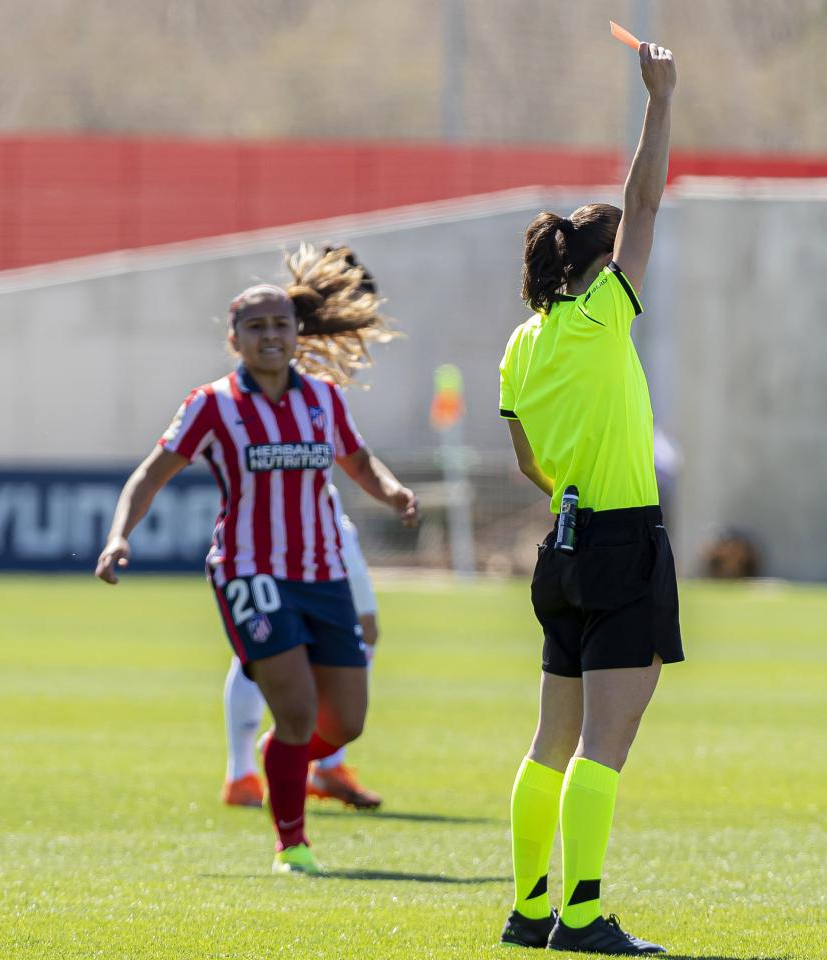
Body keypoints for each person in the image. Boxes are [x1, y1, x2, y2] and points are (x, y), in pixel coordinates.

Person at [95, 267, 418, 876]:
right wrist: (118, 536)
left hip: (324, 573)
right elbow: (150, 474)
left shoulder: (324, 397)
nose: (270, 335)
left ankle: (278, 757)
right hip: (250, 574)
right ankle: (291, 845)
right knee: (297, 710)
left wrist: (394, 492)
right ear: (234, 338)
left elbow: (359, 460)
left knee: (346, 721)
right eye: (256, 326)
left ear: (297, 331)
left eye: (280, 324)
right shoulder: (211, 405)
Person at [495, 40, 678, 955]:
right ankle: (582, 914)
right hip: (618, 541)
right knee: (608, 737)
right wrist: (662, 97)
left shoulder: (523, 343)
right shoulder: (607, 312)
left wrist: (571, 485)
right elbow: (644, 198)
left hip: (562, 549)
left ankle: (529, 910)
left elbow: (525, 455)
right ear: (602, 265)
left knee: (549, 742)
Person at [220, 244, 394, 812]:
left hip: (324, 529)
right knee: (273, 649)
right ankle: (253, 768)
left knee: (346, 638)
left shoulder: (305, 357)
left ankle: (318, 762)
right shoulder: (280, 354)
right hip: (291, 539)